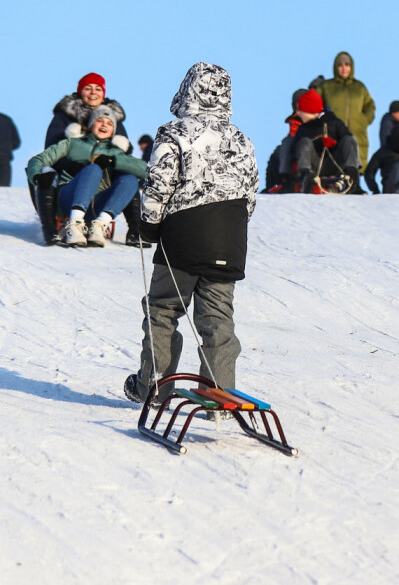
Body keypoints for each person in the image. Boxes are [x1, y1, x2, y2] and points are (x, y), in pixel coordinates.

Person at [123, 63, 259, 404]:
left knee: (163, 309)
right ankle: (221, 394)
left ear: (187, 91)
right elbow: (250, 191)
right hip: (229, 237)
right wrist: (230, 229)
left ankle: (154, 386)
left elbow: (159, 182)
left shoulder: (175, 133)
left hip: (183, 235)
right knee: (217, 318)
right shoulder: (242, 140)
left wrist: (150, 225)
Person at [25, 107, 146, 246]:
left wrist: (114, 161)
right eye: (99, 121)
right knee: (93, 169)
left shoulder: (116, 153)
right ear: (91, 125)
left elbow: (146, 170)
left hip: (96, 205)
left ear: (113, 131)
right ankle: (74, 224)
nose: (104, 125)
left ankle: (100, 225)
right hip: (68, 200)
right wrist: (37, 177)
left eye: (109, 123)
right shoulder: (72, 143)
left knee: (129, 179)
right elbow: (37, 160)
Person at [47, 72, 143, 244]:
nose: (93, 93)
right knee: (53, 173)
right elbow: (52, 147)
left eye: (98, 89)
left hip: (102, 180)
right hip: (71, 176)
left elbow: (124, 153)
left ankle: (133, 229)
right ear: (79, 92)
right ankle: (55, 226)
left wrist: (114, 162)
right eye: (88, 88)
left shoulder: (112, 117)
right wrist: (69, 165)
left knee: (127, 176)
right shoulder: (65, 116)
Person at [318, 51, 375, 177]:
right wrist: (324, 121)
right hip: (333, 132)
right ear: (335, 67)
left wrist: (363, 120)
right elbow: (315, 105)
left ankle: (355, 186)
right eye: (340, 65)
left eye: (347, 65)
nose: (344, 68)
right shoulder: (326, 86)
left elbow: (370, 105)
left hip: (357, 132)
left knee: (354, 165)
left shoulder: (359, 87)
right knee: (334, 165)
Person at [291, 89, 359, 192]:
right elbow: (294, 149)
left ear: (310, 111)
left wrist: (335, 144)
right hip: (315, 165)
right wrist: (317, 143)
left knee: (349, 139)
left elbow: (348, 140)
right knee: (304, 142)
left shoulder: (333, 122)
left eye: (301, 111)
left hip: (335, 163)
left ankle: (352, 172)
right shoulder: (303, 129)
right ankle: (306, 176)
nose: (298, 114)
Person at [0, 111, 20, 187]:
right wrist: (6, 148)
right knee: (3, 190)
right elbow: (16, 142)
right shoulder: (7, 120)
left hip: (5, 156)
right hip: (5, 158)